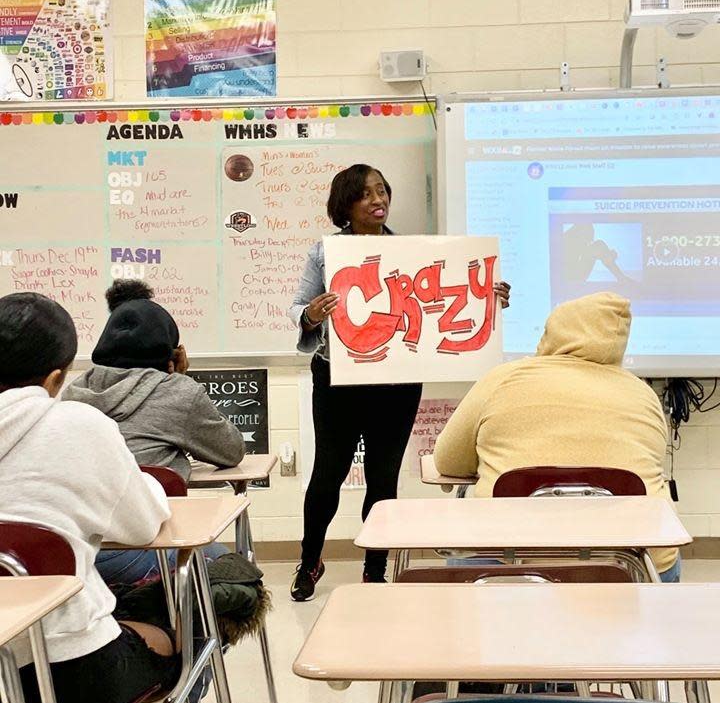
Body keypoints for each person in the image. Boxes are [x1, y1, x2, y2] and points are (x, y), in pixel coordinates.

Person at [288, 163, 511, 600]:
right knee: (327, 476)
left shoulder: (415, 252)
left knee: (383, 478)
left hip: (396, 381)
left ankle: (375, 567)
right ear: (346, 204)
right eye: (367, 194)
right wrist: (312, 314)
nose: (379, 200)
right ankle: (310, 559)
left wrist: (489, 296)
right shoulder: (324, 253)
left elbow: (453, 296)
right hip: (338, 378)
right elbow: (298, 306)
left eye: (383, 191)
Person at [0, 292, 177, 703]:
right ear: (56, 378)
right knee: (179, 624)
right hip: (69, 677)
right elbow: (142, 526)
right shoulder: (79, 425)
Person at [433, 291, 679, 581]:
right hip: (629, 562)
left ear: (552, 333)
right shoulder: (643, 394)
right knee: (665, 563)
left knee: (468, 548)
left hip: (509, 557)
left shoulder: (503, 378)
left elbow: (447, 462)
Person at [63, 279, 245, 585]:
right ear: (170, 352)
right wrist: (181, 378)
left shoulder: (75, 391)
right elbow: (231, 450)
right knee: (234, 571)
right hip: (144, 545)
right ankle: (185, 632)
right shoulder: (178, 392)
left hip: (70, 553)